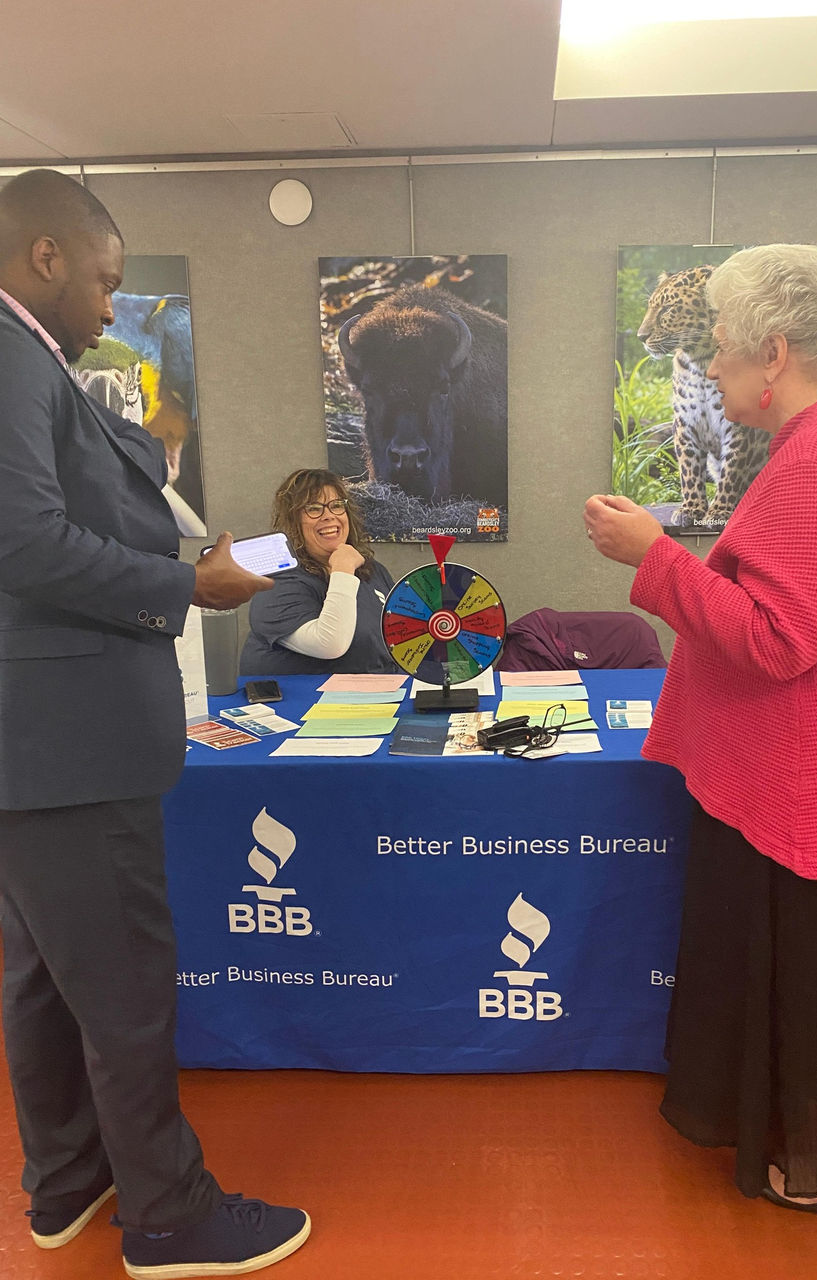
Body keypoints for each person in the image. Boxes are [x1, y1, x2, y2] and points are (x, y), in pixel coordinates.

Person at [584, 243, 817, 1226]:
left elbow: (778, 635)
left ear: (776, 353)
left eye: (720, 348)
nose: (710, 367)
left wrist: (656, 557)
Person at [0, 169, 310, 1275]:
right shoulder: (9, 354)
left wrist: (200, 563)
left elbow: (66, 526)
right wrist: (186, 588)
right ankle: (171, 1217)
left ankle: (68, 1181)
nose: (111, 306)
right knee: (123, 985)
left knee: (44, 976)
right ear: (46, 256)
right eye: (104, 280)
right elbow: (24, 545)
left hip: (41, 744)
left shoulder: (37, 365)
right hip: (69, 742)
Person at [240, 468, 397, 676]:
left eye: (337, 506)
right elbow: (330, 644)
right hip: (300, 705)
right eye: (314, 509)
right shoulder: (276, 583)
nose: (329, 516)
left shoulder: (373, 571)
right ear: (293, 521)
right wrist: (342, 570)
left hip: (377, 698)